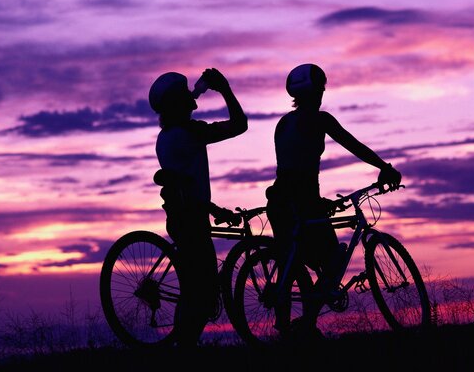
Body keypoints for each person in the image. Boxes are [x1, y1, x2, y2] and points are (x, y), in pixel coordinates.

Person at [266, 63, 402, 340]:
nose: (323, 92)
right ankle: (306, 325)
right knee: (331, 261)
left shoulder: (284, 122)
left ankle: (287, 328)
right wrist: (383, 166)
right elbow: (353, 145)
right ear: (315, 90)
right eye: (321, 87)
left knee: (289, 262)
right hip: (302, 199)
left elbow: (292, 165)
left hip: (280, 197)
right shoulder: (320, 119)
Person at [148, 68, 247, 347]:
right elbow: (239, 125)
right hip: (191, 217)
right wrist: (225, 89)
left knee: (195, 288)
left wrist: (213, 209)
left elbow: (184, 184)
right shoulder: (190, 133)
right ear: (179, 104)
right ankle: (185, 347)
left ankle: (185, 346)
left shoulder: (166, 137)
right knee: (201, 292)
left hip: (182, 215)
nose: (192, 98)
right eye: (185, 96)